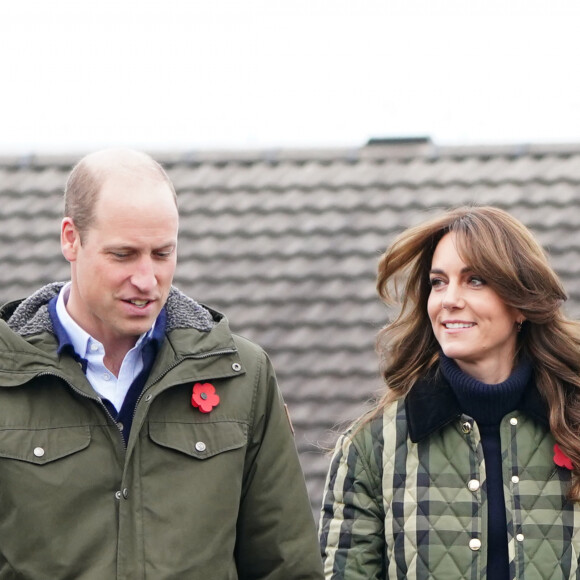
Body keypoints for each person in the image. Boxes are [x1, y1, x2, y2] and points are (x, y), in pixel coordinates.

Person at [0, 149, 323, 579]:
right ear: (70, 239)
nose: (146, 279)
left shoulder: (243, 378)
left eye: (161, 253)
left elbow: (286, 567)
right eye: (123, 254)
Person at [319, 205, 580, 579]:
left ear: (521, 303)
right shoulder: (372, 446)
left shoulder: (573, 424)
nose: (449, 299)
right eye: (439, 282)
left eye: (475, 280)